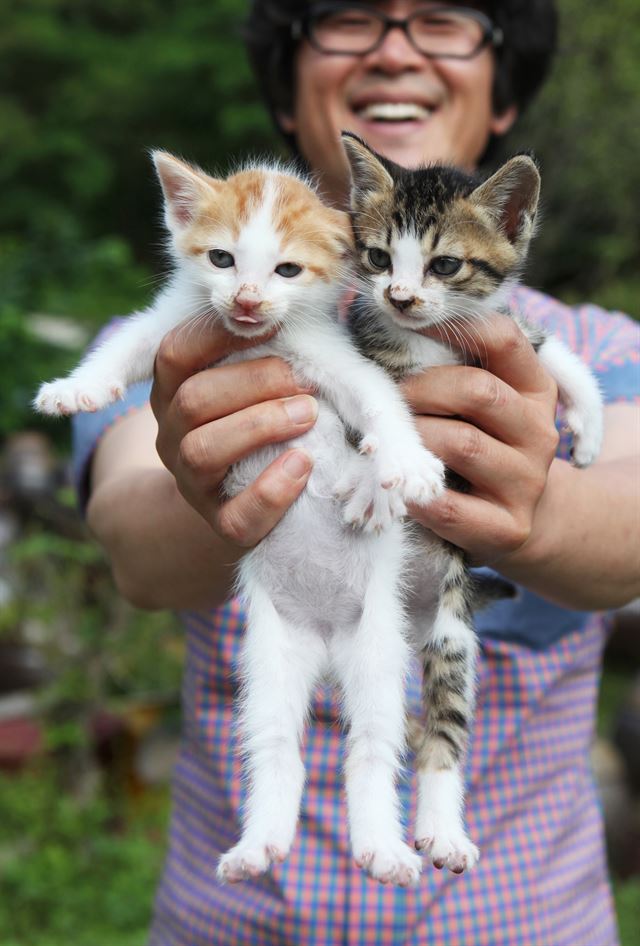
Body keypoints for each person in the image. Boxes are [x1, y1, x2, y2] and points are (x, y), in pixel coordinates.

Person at [73, 1, 640, 943]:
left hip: (517, 919)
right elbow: (132, 544)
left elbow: (632, 532)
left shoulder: (594, 346)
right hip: (237, 919)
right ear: (291, 94)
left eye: (444, 22)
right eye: (346, 18)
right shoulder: (206, 322)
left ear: (503, 94)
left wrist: (528, 508)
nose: (392, 49)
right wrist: (227, 481)